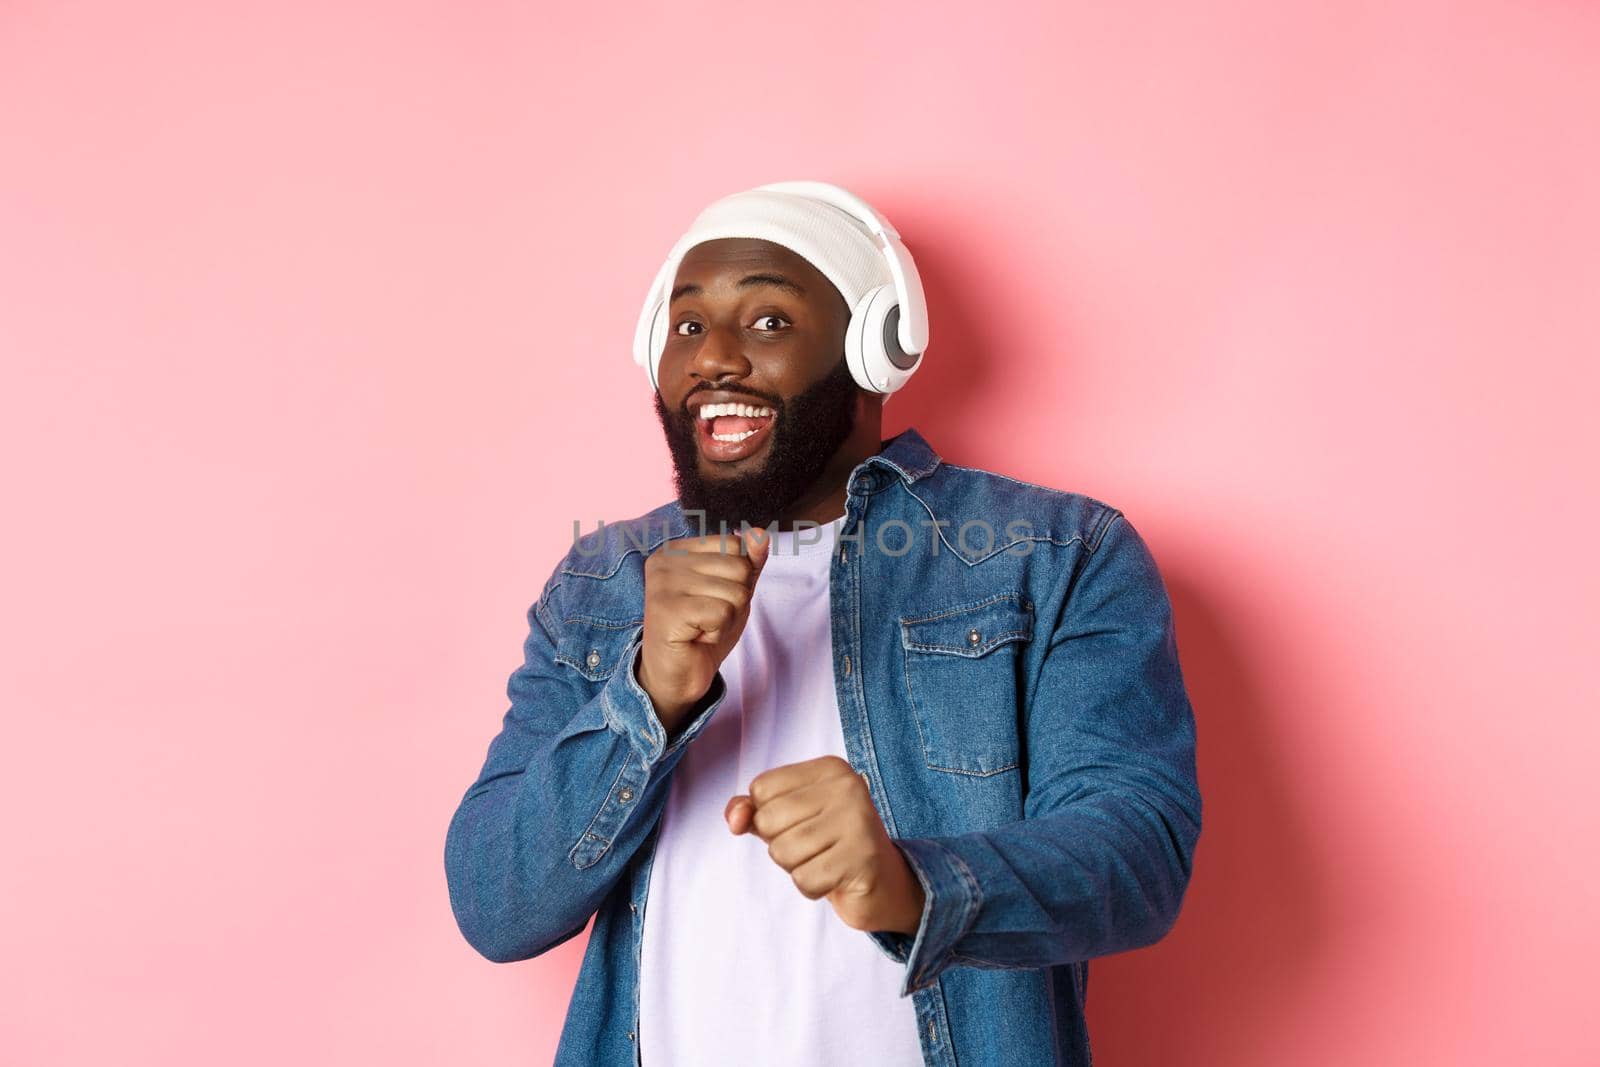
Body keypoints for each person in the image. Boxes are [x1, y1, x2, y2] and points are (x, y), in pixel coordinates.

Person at [443, 181, 1203, 1067]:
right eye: (687, 327)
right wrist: (647, 693)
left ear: (873, 350)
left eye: (768, 321)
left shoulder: (1058, 553)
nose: (714, 359)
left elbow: (1136, 856)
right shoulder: (602, 583)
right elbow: (496, 903)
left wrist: (911, 885)